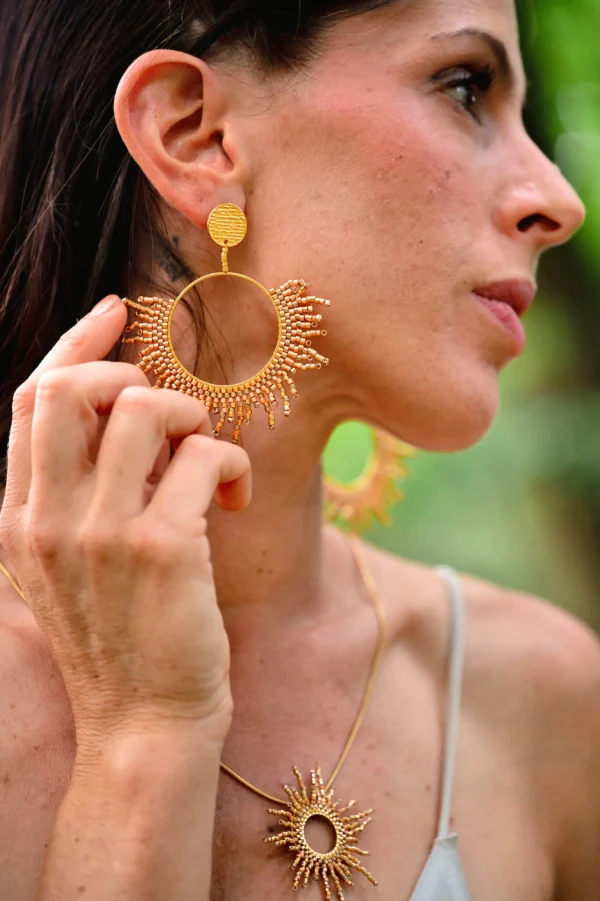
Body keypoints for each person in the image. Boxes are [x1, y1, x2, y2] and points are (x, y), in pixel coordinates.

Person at [0, 0, 598, 899]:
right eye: (466, 87)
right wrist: (145, 734)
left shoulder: (542, 700)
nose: (560, 200)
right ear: (194, 136)